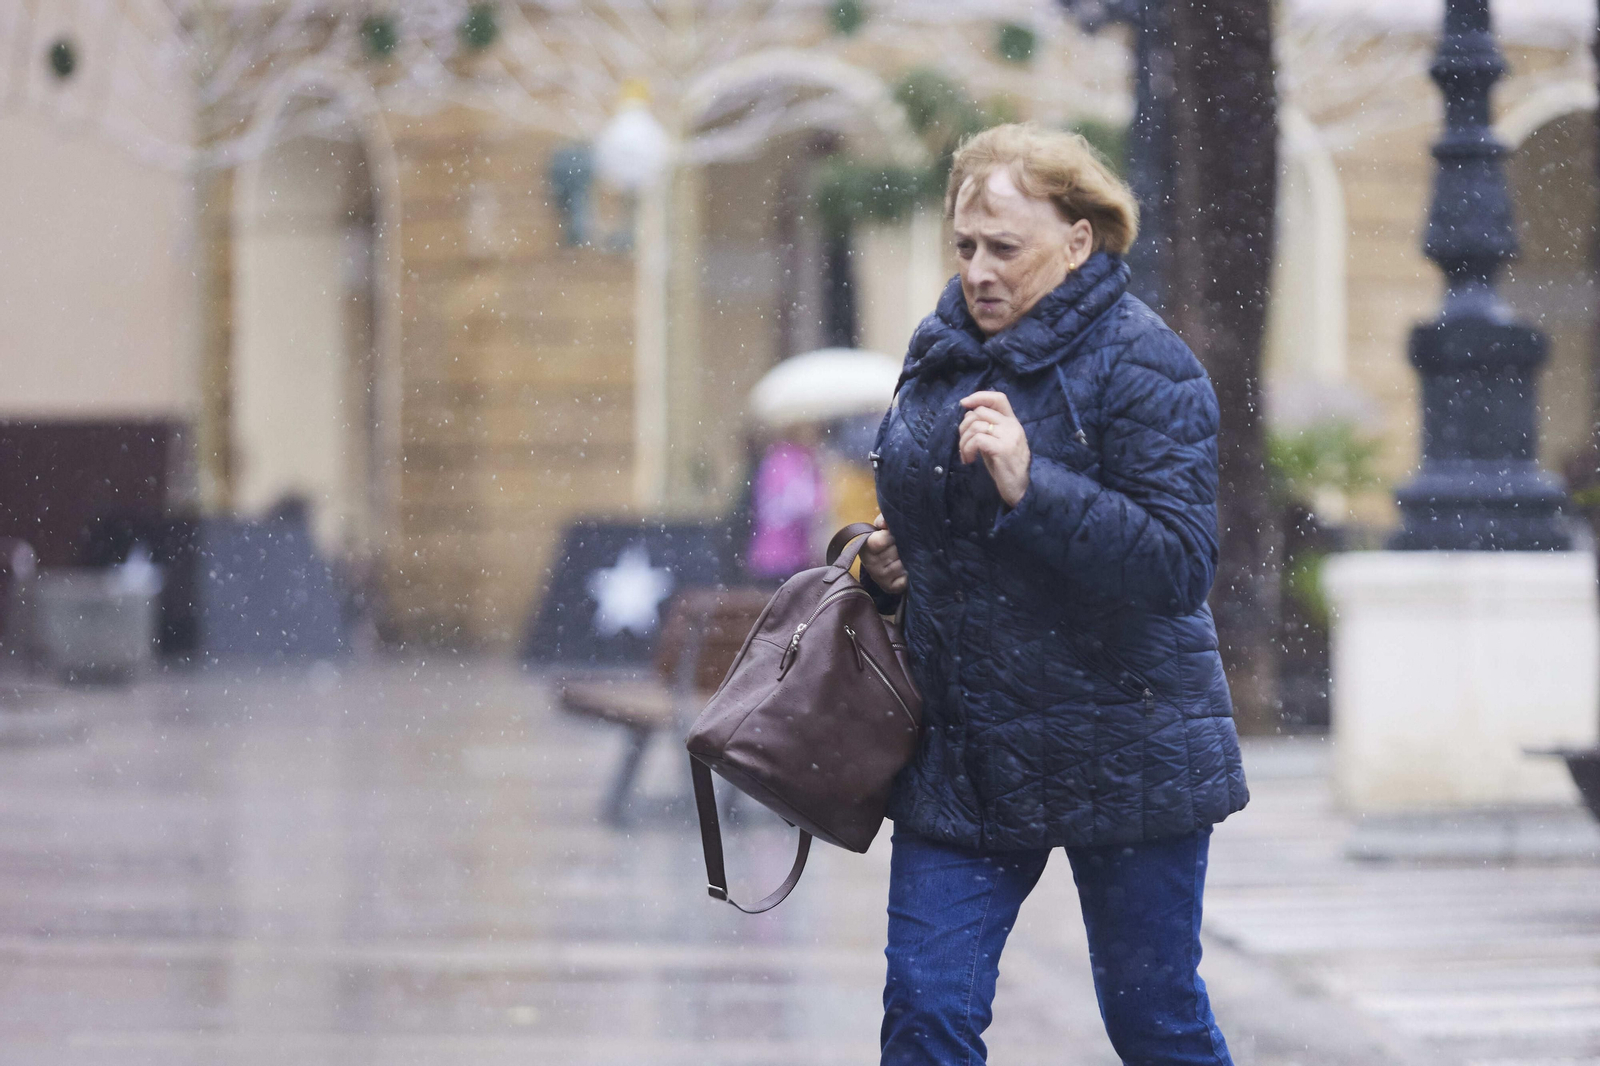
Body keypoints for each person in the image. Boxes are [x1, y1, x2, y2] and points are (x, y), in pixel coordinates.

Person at [860, 123, 1248, 1065]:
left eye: (1007, 248)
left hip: (1126, 742)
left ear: (1078, 241)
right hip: (966, 750)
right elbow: (918, 507)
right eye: (965, 248)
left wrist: (1036, 485)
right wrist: (880, 560)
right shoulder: (940, 349)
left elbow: (1177, 563)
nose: (980, 271)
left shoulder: (1146, 365)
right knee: (926, 1011)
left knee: (1153, 1018)